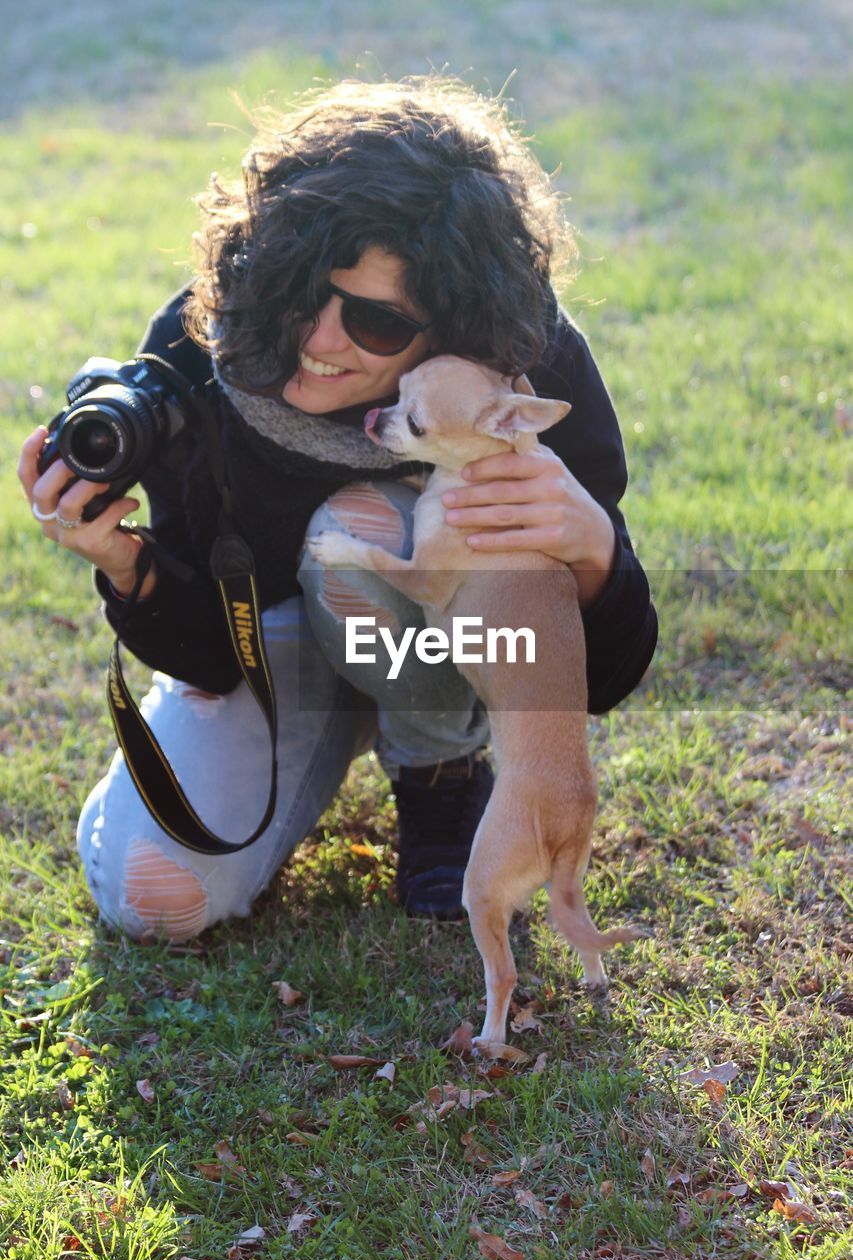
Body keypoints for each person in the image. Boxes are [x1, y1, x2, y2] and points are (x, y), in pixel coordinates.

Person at [17, 76, 658, 940]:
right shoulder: (201, 344)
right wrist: (127, 570)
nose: (320, 341)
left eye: (377, 323)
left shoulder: (520, 373)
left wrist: (592, 557)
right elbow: (209, 656)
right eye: (299, 293)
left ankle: (437, 770)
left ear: (453, 322)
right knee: (154, 894)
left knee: (358, 530)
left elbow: (600, 678)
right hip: (272, 663)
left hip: (436, 643)